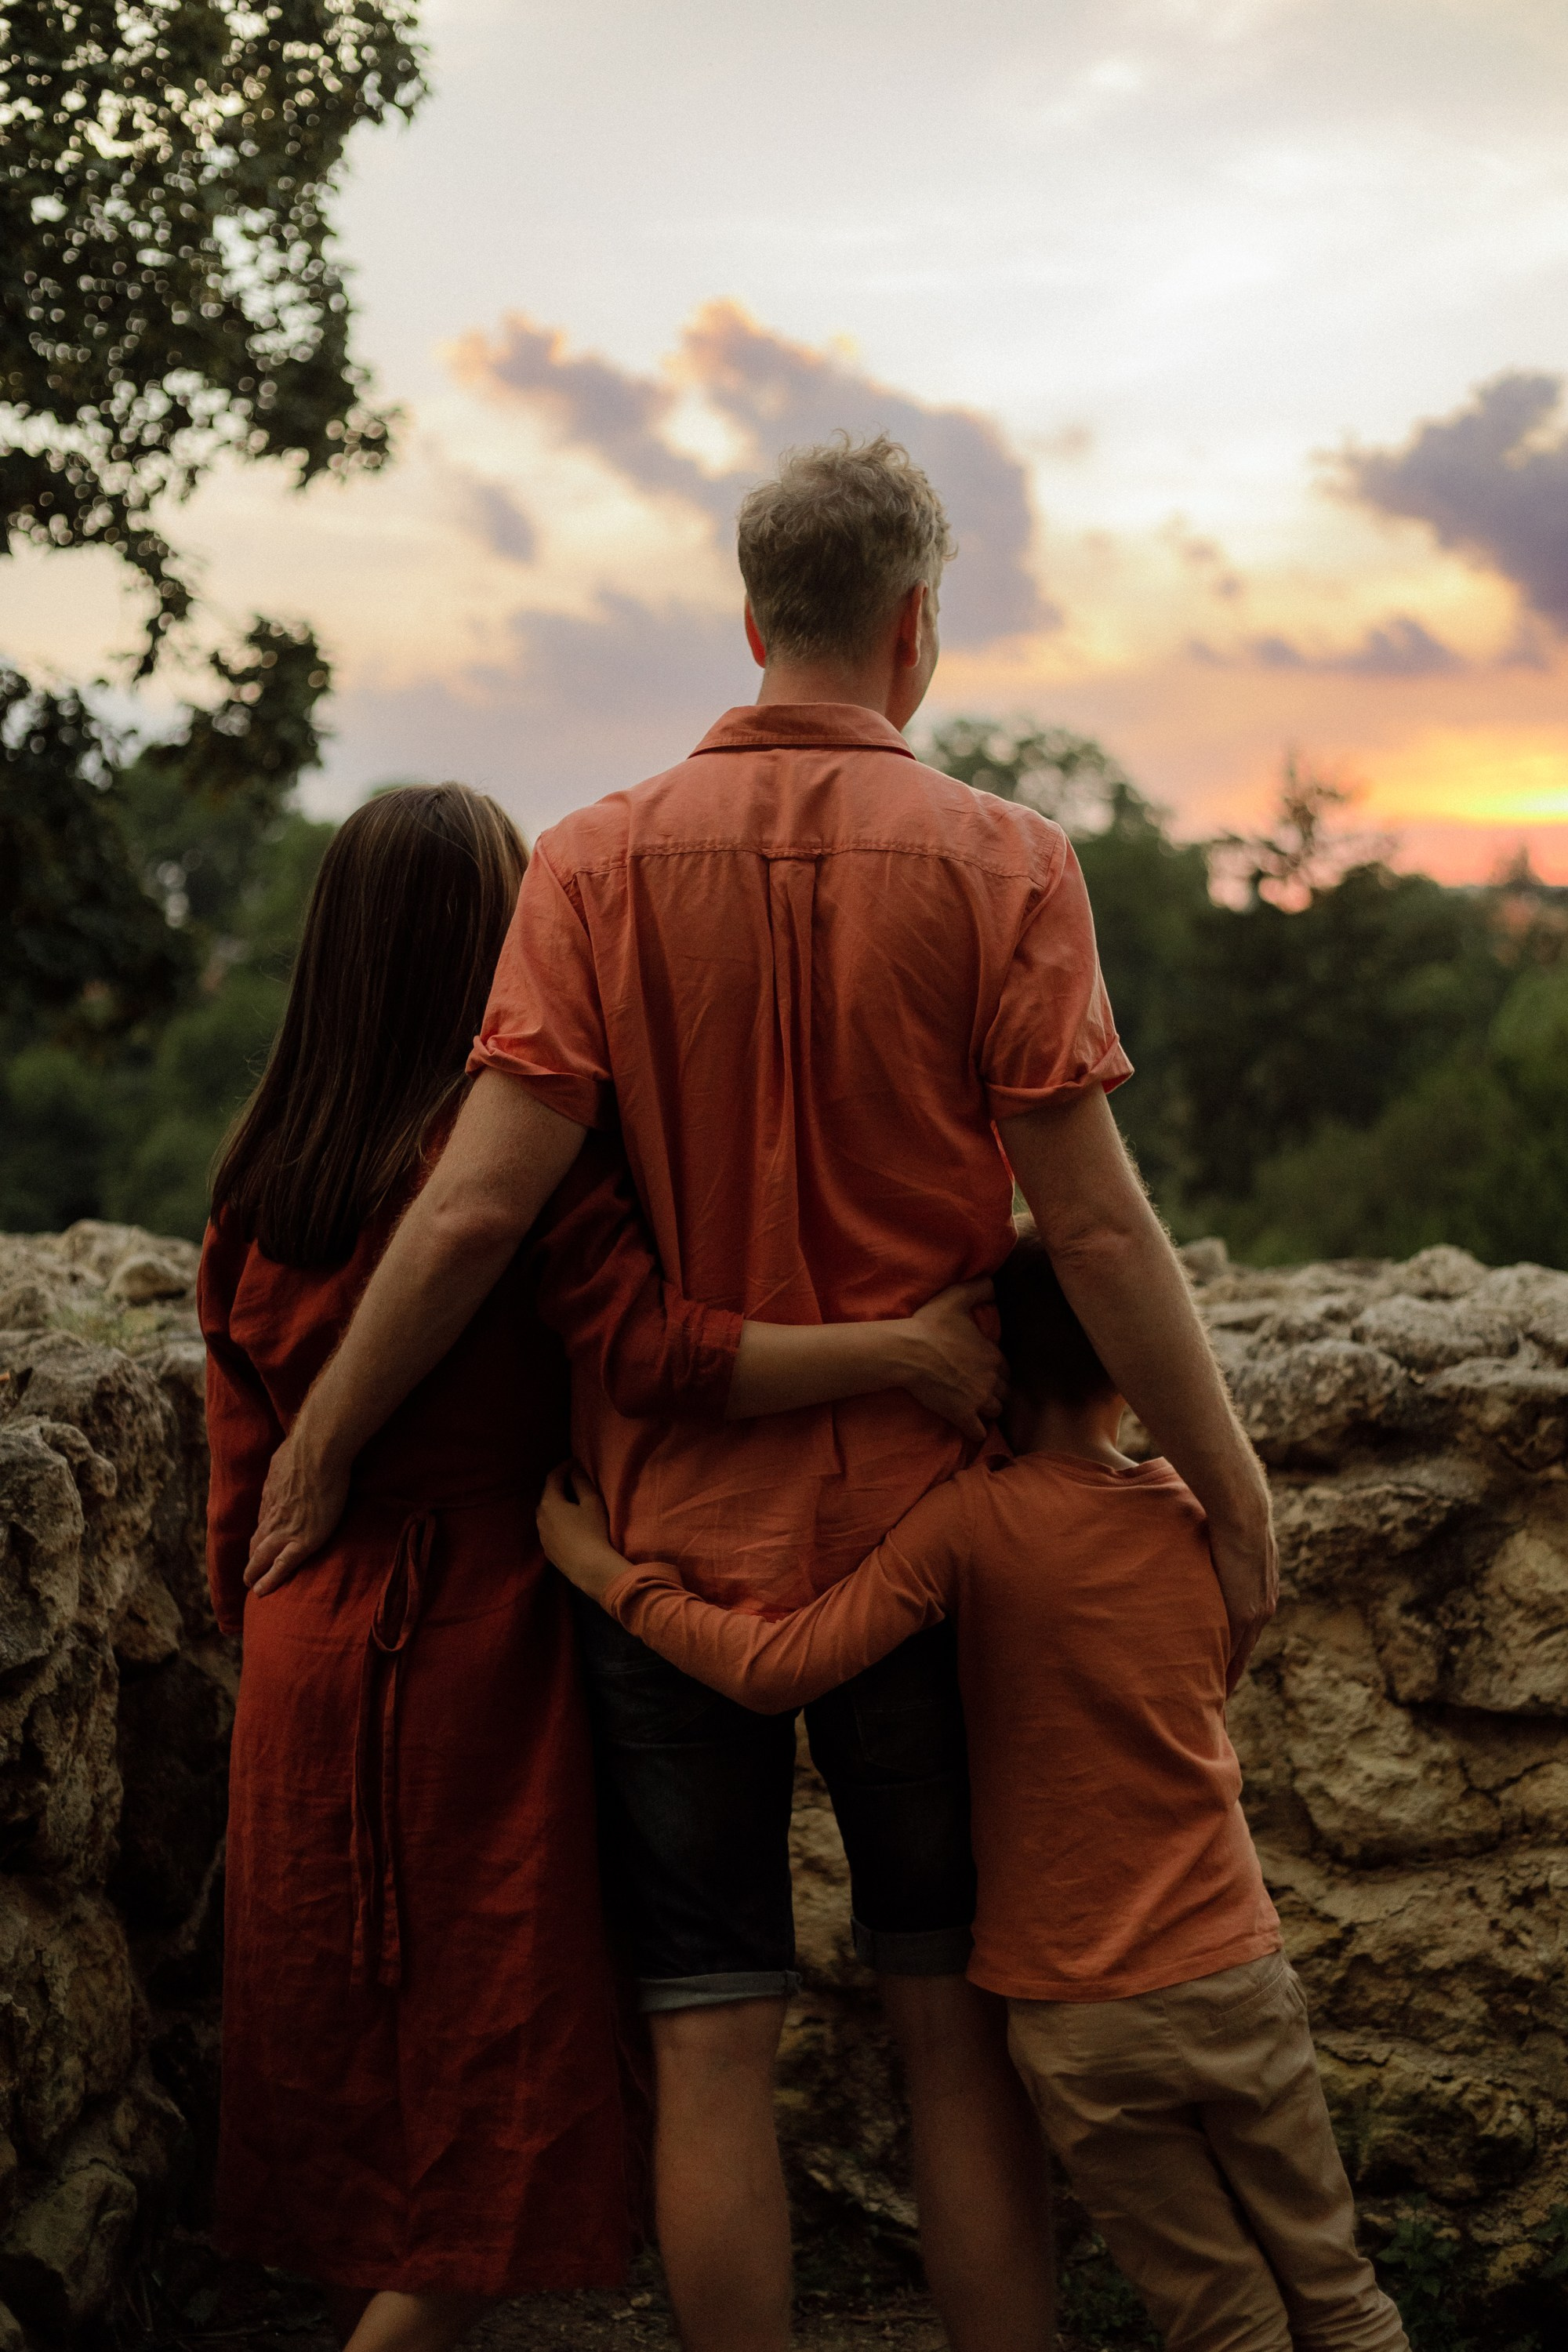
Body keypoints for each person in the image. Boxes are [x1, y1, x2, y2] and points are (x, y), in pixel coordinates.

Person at [243, 435, 1276, 2352]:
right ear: (916, 629)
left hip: (662, 1549)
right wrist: (1233, 1489)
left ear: (748, 618)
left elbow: (478, 1207)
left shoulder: (592, 860)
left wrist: (319, 1446)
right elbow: (1105, 1236)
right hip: (922, 1541)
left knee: (708, 2036)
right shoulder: (1008, 863)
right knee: (950, 2025)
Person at [201, 784, 1002, 2352]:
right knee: (524, 2077)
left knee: (373, 2076)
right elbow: (651, 1351)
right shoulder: (512, 1164)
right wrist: (898, 1351)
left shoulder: (258, 1179)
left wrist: (268, 1603)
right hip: (480, 1652)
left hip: (306, 1652)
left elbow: (248, 1479)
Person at [536, 1230, 1410, 2352]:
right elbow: (1212, 1674)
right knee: (1340, 2294)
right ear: (1132, 1368)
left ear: (992, 1358)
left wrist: (609, 1576)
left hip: (1082, 2015)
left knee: (1220, 2318)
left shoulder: (969, 1523)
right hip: (1238, 1979)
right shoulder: (1200, 1522)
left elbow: (773, 1673)